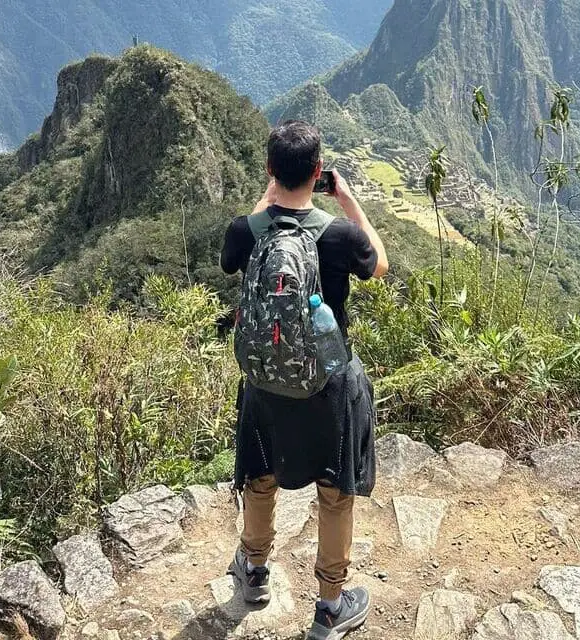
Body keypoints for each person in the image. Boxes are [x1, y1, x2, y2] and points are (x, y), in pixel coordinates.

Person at [220, 120, 389, 640]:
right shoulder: (338, 236)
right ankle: (331, 606)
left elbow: (233, 259)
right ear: (318, 172)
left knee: (260, 472)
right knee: (336, 491)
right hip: (329, 386)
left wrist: (266, 198)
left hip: (265, 384)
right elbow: (380, 264)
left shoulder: (244, 232)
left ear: (271, 169)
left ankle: (252, 572)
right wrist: (348, 200)